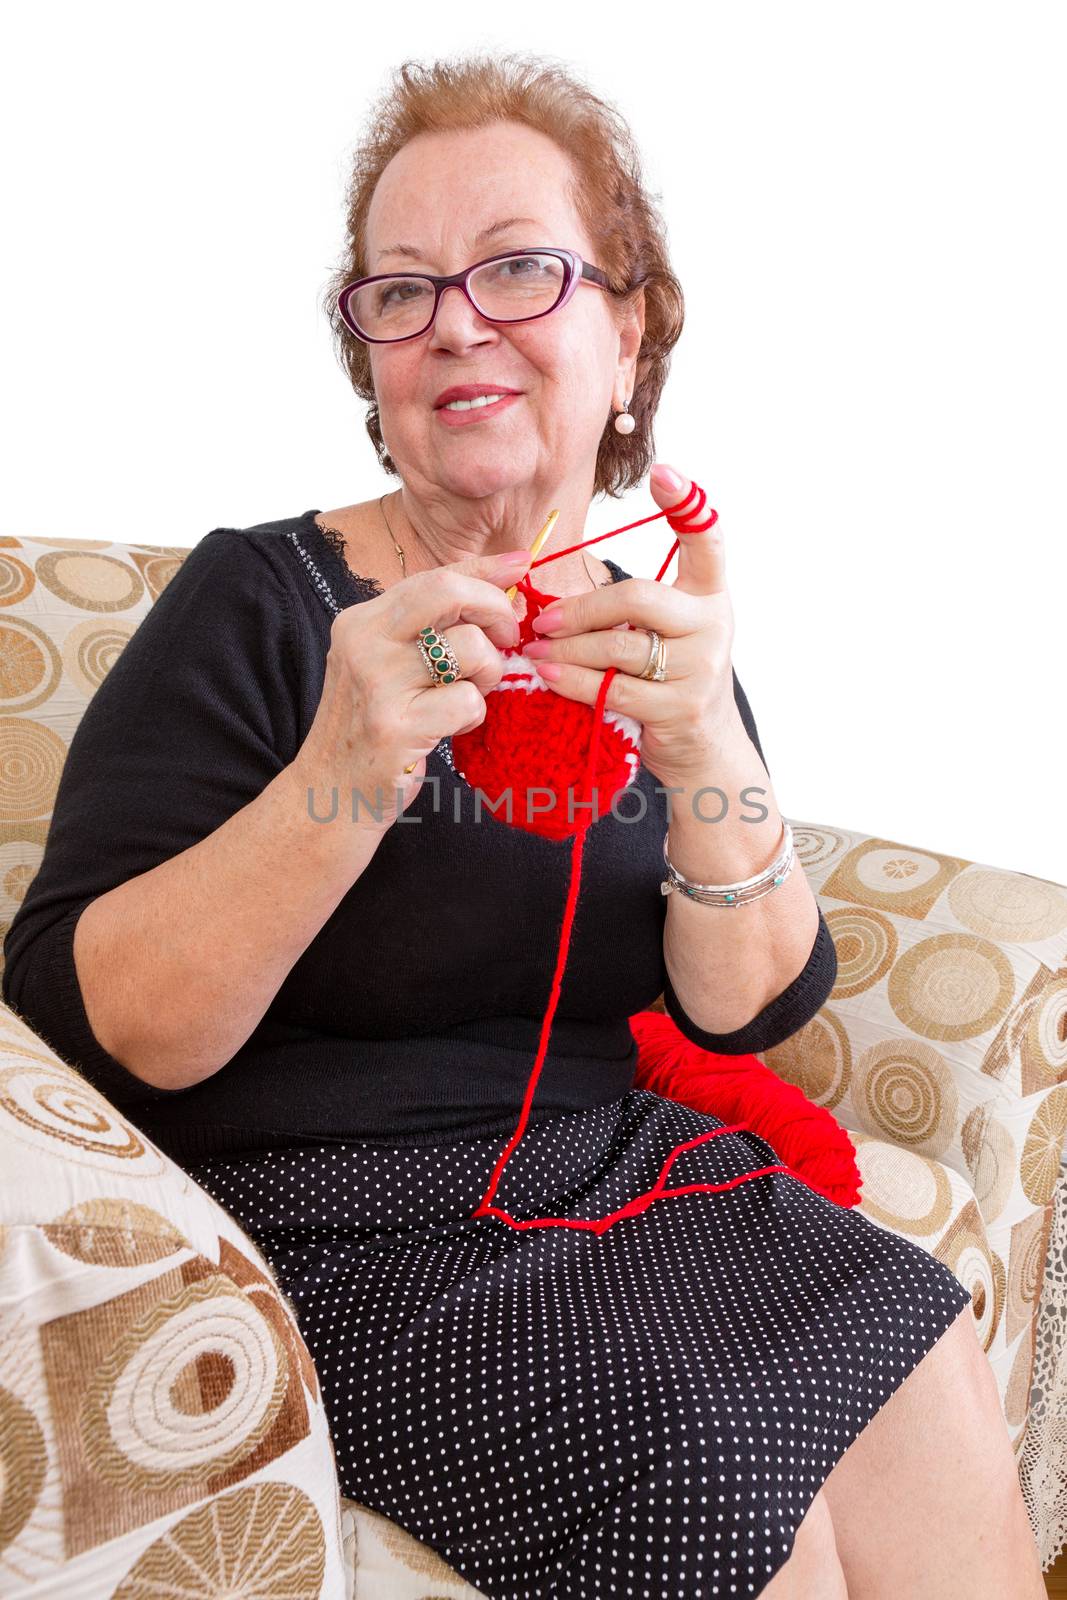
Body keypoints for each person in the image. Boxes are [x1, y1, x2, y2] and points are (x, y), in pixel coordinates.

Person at [2, 51, 1044, 1600]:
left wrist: (700, 742)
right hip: (332, 1214)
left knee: (916, 1343)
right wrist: (343, 774)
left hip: (610, 1163)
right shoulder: (265, 603)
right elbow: (98, 1024)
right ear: (370, 362)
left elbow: (747, 1000)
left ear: (625, 334)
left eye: (518, 270)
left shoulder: (644, 625)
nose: (456, 323)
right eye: (403, 291)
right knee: (718, 1467)